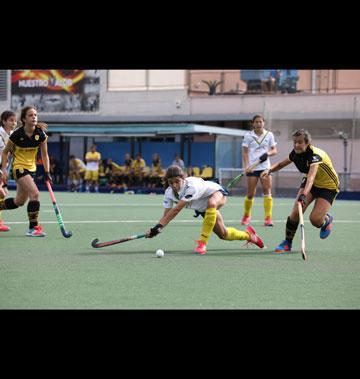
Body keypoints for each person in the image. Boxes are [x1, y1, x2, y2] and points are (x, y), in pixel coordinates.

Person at [145, 165, 264, 254]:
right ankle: (249, 236)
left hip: (217, 194)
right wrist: (156, 229)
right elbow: (166, 215)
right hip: (204, 209)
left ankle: (202, 243)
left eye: (177, 181)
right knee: (224, 234)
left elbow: (176, 210)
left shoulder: (191, 186)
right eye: (171, 183)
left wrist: (158, 227)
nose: (175, 185)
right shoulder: (168, 193)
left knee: (211, 203)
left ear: (183, 178)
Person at [261, 129, 339, 253]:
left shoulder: (315, 155)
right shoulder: (295, 153)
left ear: (307, 143)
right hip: (310, 183)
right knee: (296, 213)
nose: (296, 145)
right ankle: (287, 242)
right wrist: (269, 170)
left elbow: (312, 177)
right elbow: (281, 164)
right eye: (295, 142)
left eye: (300, 142)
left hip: (328, 187)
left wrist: (303, 195)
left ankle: (326, 220)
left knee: (315, 220)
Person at [0, 106, 52, 237]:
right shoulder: (17, 135)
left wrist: (47, 172)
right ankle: (33, 228)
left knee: (19, 202)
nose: (34, 117)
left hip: (31, 169)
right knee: (35, 194)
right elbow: (5, 153)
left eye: (35, 115)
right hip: (19, 168)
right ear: (24, 119)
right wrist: (4, 170)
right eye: (30, 115)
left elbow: (45, 155)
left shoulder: (40, 135)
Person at [241, 114, 278, 226]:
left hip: (265, 167)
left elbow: (274, 150)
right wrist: (247, 166)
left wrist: (268, 154)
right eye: (256, 122)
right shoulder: (248, 136)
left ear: (263, 123)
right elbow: (245, 151)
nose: (258, 124)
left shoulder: (269, 135)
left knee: (267, 192)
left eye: (260, 122)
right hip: (252, 168)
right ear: (253, 123)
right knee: (250, 194)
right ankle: (246, 216)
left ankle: (268, 218)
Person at [0, 110, 18, 232]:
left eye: (15, 121)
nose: (14, 123)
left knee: (3, 194)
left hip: (3, 168)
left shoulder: (12, 135)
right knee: (2, 194)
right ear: (3, 121)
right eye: (11, 120)